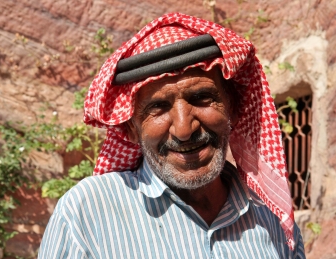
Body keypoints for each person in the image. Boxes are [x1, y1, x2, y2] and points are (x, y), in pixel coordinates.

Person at [39, 13, 306, 258]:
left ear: (233, 109)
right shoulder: (86, 215)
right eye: (158, 107)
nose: (183, 129)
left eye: (201, 98)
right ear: (131, 127)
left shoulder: (272, 219)